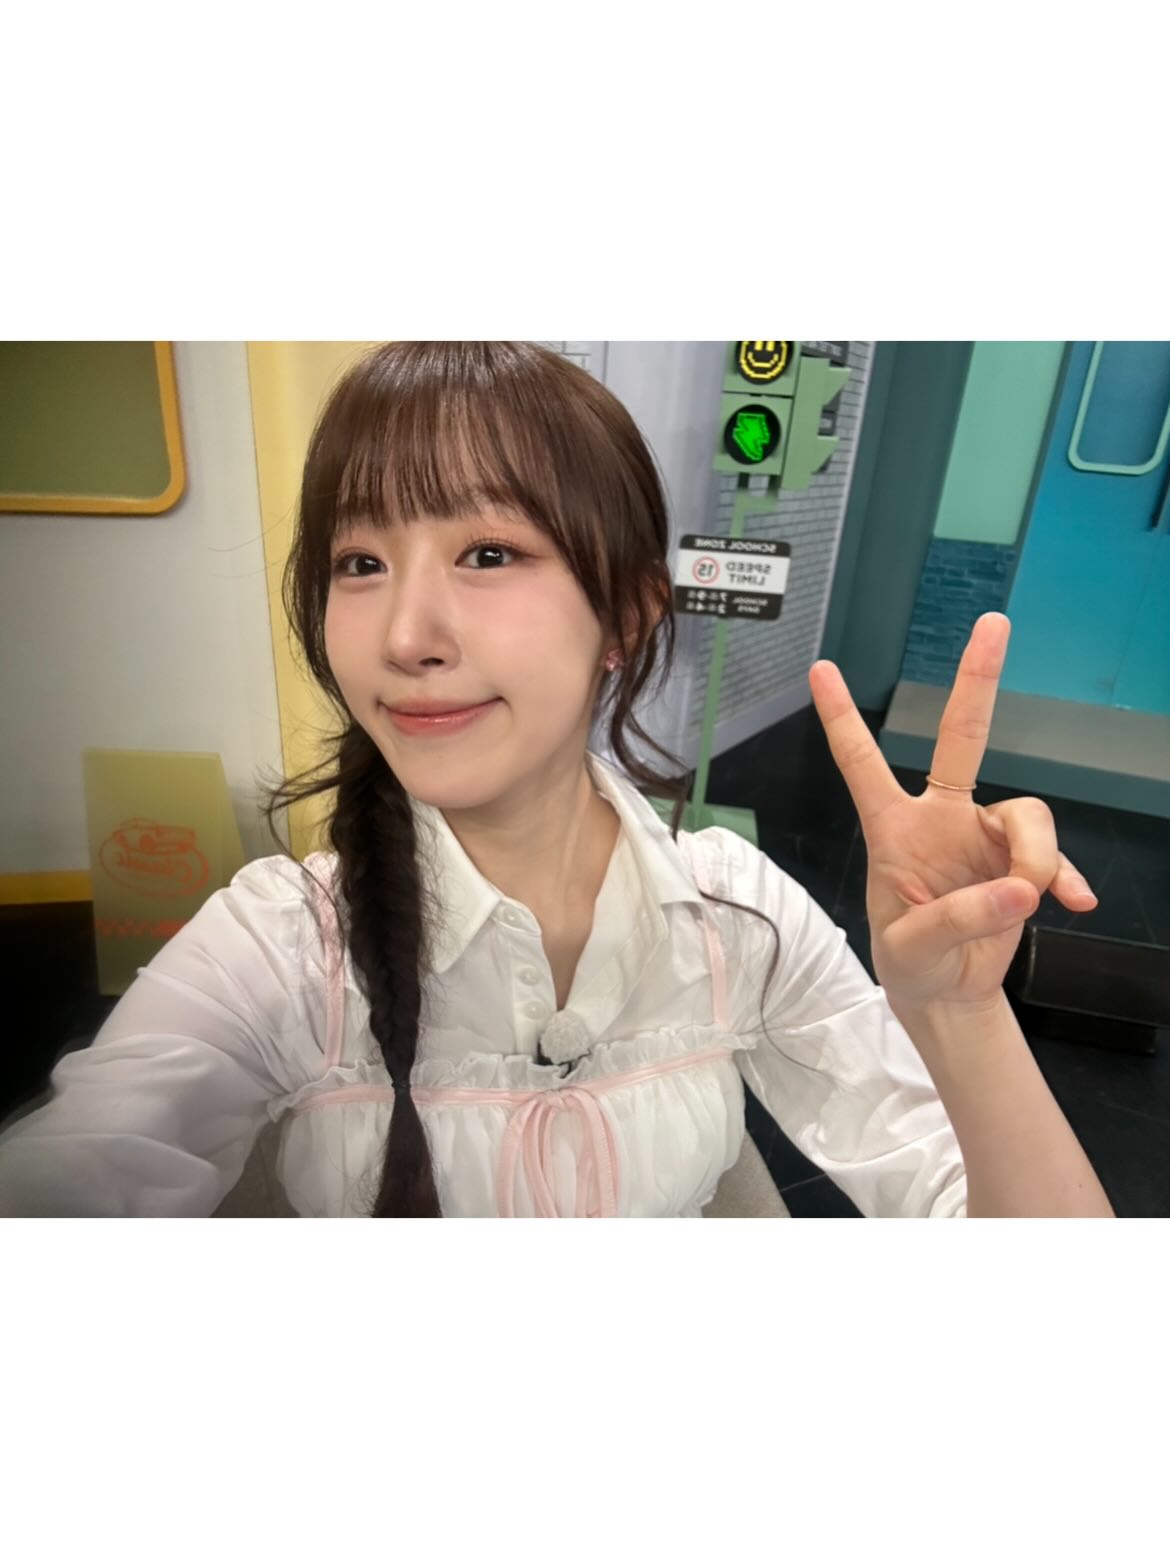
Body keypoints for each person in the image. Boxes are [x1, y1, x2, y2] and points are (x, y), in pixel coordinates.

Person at [0, 341, 1112, 1217]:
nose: (405, 636)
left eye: (488, 553)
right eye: (360, 562)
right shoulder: (284, 949)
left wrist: (959, 1016)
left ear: (625, 614)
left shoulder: (737, 916)